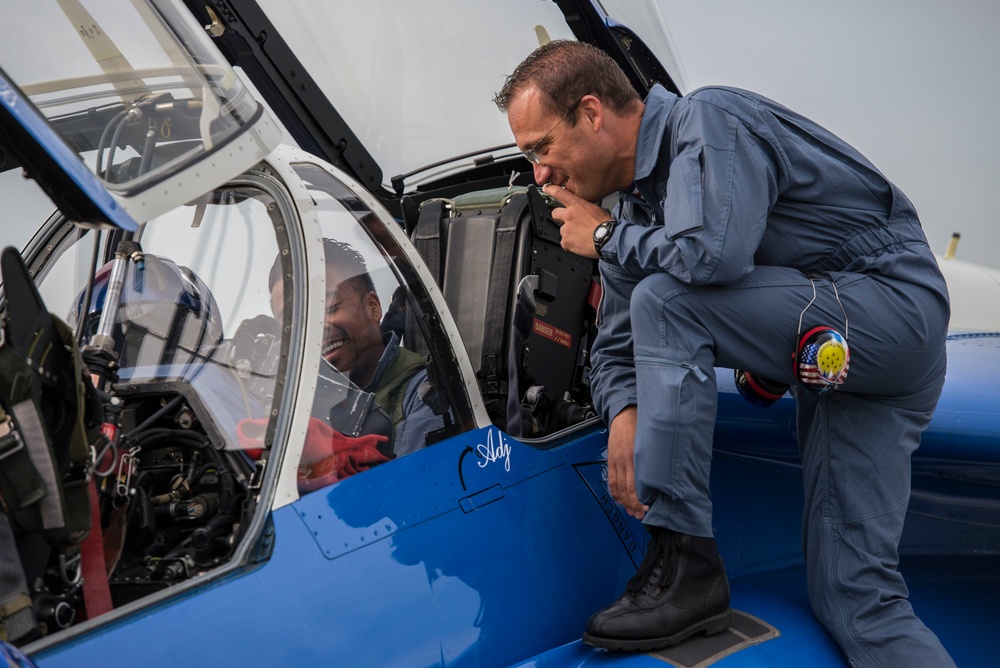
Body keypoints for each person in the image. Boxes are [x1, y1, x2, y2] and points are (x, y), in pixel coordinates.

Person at [494, 40, 954, 667]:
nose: (540, 174)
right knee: (856, 601)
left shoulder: (706, 121)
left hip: (890, 309)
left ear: (593, 113)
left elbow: (712, 256)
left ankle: (687, 562)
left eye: (540, 148)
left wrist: (604, 236)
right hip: (848, 370)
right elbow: (616, 347)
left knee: (669, 299)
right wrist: (626, 413)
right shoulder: (634, 210)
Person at [269, 239, 442, 458]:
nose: (313, 331)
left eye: (329, 308)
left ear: (373, 307)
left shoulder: (423, 396)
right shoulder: (285, 408)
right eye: (292, 324)